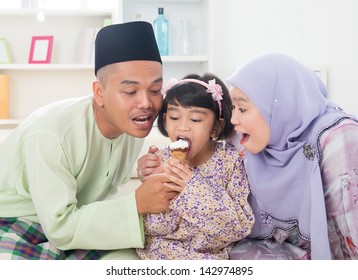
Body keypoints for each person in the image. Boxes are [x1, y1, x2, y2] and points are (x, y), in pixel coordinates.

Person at [0, 22, 180, 260]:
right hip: (18, 221)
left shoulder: (133, 125)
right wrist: (137, 202)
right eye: (130, 92)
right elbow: (59, 227)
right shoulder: (51, 134)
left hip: (81, 220)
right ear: (99, 93)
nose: (146, 103)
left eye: (155, 90)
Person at [226, 53, 358, 260]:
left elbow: (350, 238)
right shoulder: (244, 142)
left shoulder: (337, 137)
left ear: (280, 106)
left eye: (242, 108)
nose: (233, 119)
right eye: (233, 108)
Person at [135, 73, 255, 259]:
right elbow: (150, 229)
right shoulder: (161, 159)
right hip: (153, 256)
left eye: (196, 119)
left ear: (216, 127)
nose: (183, 127)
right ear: (165, 121)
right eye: (174, 117)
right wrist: (151, 183)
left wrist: (192, 188)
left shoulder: (230, 162)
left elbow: (237, 228)